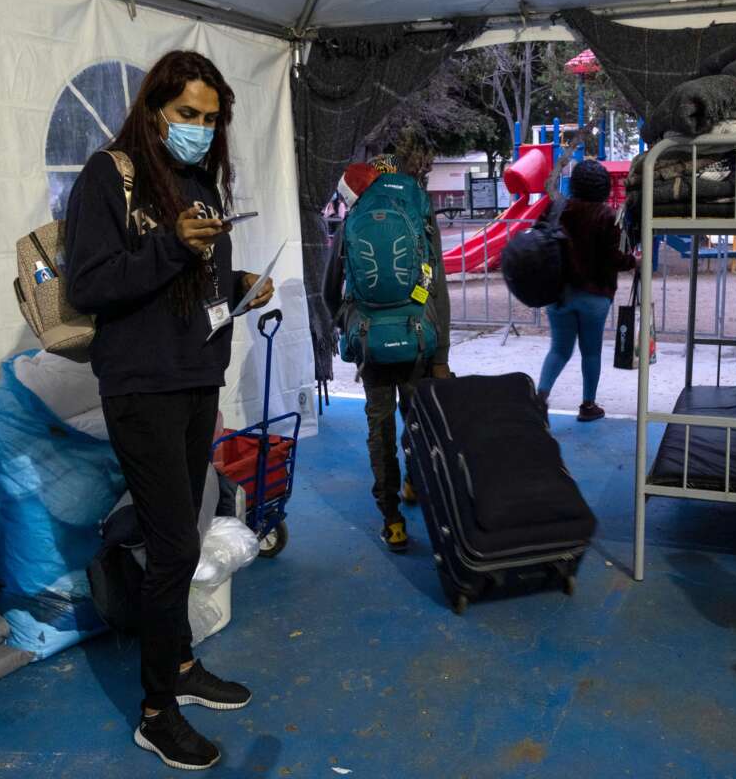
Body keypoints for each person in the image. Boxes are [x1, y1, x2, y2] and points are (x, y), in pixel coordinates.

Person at [64, 50, 275, 770]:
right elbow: (89, 284)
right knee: (178, 547)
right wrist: (167, 246)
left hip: (194, 379)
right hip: (140, 386)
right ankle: (156, 712)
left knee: (180, 531)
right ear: (154, 108)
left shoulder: (200, 181)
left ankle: (181, 664)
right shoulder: (108, 175)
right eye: (188, 114)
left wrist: (240, 280)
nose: (201, 130)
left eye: (213, 119)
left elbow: (196, 279)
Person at [323, 157, 452, 554]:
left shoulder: (353, 222)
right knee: (418, 422)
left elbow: (331, 290)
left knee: (378, 432)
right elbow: (439, 290)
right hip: (417, 342)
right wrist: (440, 354)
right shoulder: (419, 219)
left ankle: (392, 520)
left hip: (371, 344)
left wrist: (349, 324)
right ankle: (417, 481)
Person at [536, 159, 635, 422]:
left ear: (575, 184)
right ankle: (588, 405)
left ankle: (540, 400)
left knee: (558, 350)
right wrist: (634, 261)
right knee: (590, 352)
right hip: (595, 295)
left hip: (558, 293)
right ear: (603, 187)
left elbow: (538, 240)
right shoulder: (606, 216)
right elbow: (614, 257)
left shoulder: (556, 209)